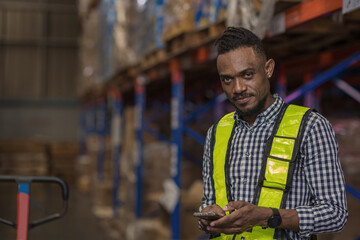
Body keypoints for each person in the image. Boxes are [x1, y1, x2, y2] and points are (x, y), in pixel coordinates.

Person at [198, 26, 348, 240]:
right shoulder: (216, 133)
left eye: (247, 75)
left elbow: (335, 214)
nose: (238, 88)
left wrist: (267, 217)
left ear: (268, 69)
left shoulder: (310, 127)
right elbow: (208, 201)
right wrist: (205, 216)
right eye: (227, 79)